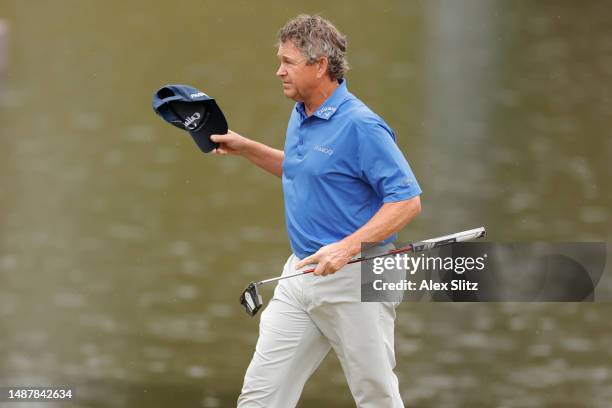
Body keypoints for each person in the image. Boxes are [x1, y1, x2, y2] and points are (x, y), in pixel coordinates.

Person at [211, 14, 422, 408]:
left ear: (319, 65)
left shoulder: (362, 126)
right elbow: (302, 170)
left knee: (376, 398)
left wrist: (345, 248)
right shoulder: (302, 113)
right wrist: (248, 148)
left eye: (288, 62)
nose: (279, 71)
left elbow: (407, 201)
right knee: (259, 397)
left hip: (358, 276)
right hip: (302, 272)